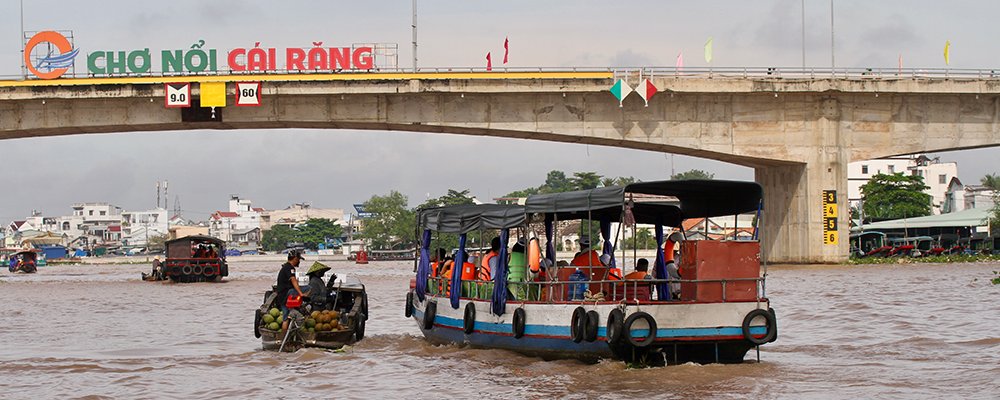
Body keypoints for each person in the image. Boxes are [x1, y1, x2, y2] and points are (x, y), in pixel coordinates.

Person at [275, 250, 307, 331]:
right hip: (286, 295)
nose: (299, 261)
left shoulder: (285, 267)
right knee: (309, 287)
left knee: (285, 318)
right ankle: (294, 308)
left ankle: (283, 336)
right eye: (299, 259)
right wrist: (301, 293)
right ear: (295, 259)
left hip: (281, 296)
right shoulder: (290, 268)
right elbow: (293, 280)